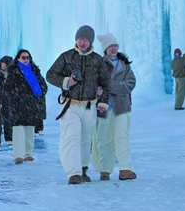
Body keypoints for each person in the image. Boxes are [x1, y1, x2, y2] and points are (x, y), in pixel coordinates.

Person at [46, 25, 112, 184]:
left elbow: (106, 82)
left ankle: (83, 169)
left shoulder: (98, 60)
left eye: (86, 39)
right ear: (76, 39)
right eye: (80, 39)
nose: (82, 42)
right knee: (71, 137)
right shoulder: (66, 57)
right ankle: (73, 173)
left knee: (85, 139)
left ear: (90, 41)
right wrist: (66, 82)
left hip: (90, 105)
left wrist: (103, 102)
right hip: (70, 104)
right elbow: (50, 75)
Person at [92, 33, 137, 181]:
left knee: (122, 137)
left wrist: (110, 86)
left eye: (116, 45)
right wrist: (98, 90)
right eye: (111, 46)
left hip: (121, 107)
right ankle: (104, 170)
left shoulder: (124, 65)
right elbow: (93, 84)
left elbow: (130, 83)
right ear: (105, 48)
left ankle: (125, 169)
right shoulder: (98, 64)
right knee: (104, 139)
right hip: (104, 107)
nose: (114, 48)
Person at [6, 49, 47, 164]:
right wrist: (17, 96)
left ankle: (28, 153)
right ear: (18, 58)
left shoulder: (34, 70)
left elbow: (42, 85)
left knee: (29, 130)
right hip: (17, 105)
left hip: (31, 104)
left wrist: (39, 95)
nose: (26, 60)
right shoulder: (13, 71)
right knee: (18, 129)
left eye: (27, 57)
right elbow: (8, 87)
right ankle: (18, 155)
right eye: (23, 57)